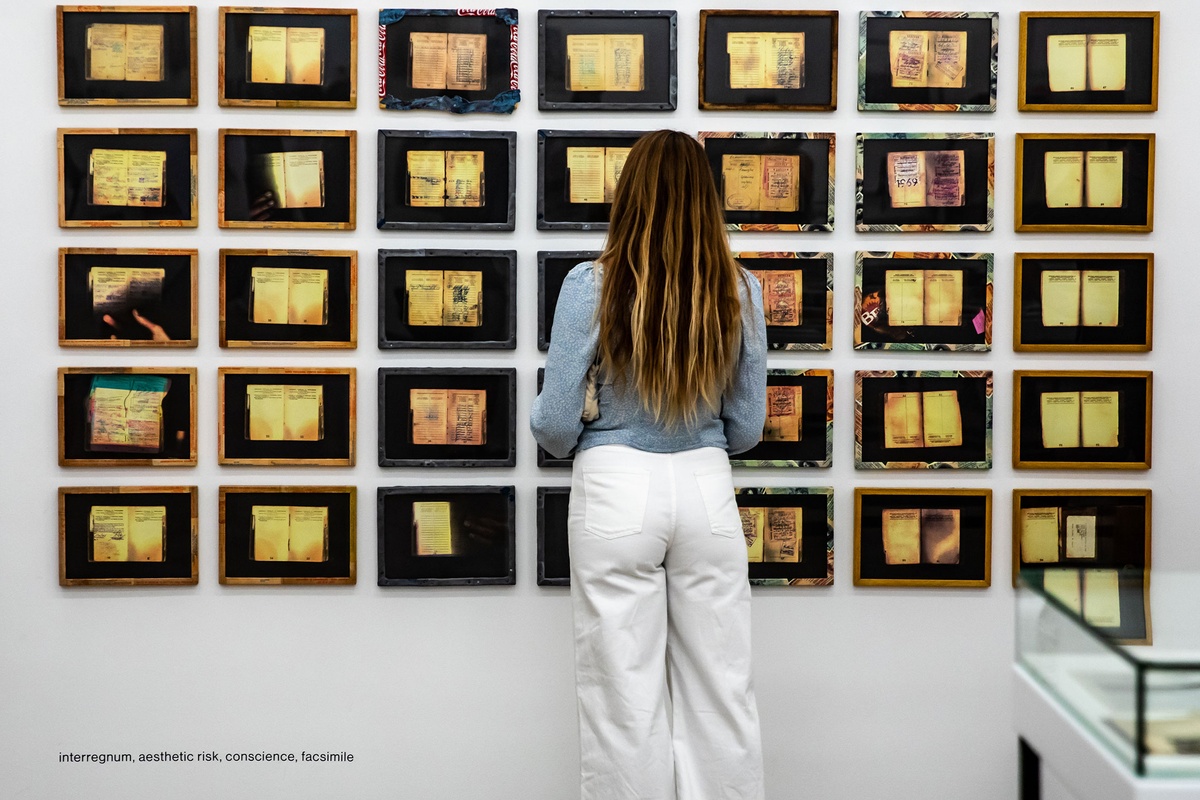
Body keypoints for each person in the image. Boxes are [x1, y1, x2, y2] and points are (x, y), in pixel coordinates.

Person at [530, 130, 768, 800]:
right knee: (722, 690)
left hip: (615, 487)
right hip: (705, 484)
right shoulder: (739, 289)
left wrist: (586, 414)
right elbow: (746, 428)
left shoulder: (592, 284)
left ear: (628, 193)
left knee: (622, 700)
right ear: (707, 197)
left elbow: (551, 426)